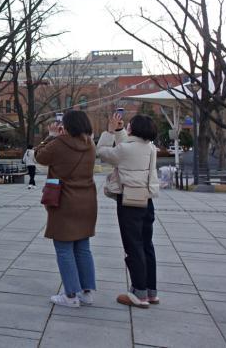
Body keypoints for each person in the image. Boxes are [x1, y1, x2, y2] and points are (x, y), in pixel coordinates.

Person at [35, 110, 98, 308]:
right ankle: (87, 292)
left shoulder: (59, 144)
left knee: (64, 249)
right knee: (83, 248)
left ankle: (70, 295)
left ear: (66, 126)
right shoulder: (91, 145)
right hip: (87, 201)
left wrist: (50, 136)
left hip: (64, 201)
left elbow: (39, 157)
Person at [97, 113, 160, 308]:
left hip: (129, 201)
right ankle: (151, 291)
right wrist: (119, 130)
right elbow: (129, 144)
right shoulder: (150, 148)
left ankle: (138, 293)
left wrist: (109, 131)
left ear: (134, 128)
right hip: (146, 200)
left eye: (129, 125)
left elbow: (101, 151)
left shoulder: (125, 150)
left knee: (133, 246)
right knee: (147, 245)